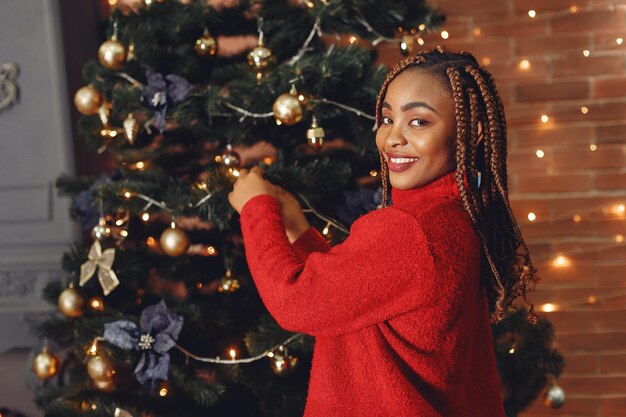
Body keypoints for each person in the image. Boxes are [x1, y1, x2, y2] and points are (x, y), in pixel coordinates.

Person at [228, 46, 539, 417]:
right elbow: (354, 296)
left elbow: (296, 304)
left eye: (418, 122)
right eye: (388, 119)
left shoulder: (410, 229)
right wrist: (297, 230)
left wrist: (255, 209)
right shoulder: (453, 217)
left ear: (471, 133)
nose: (392, 138)